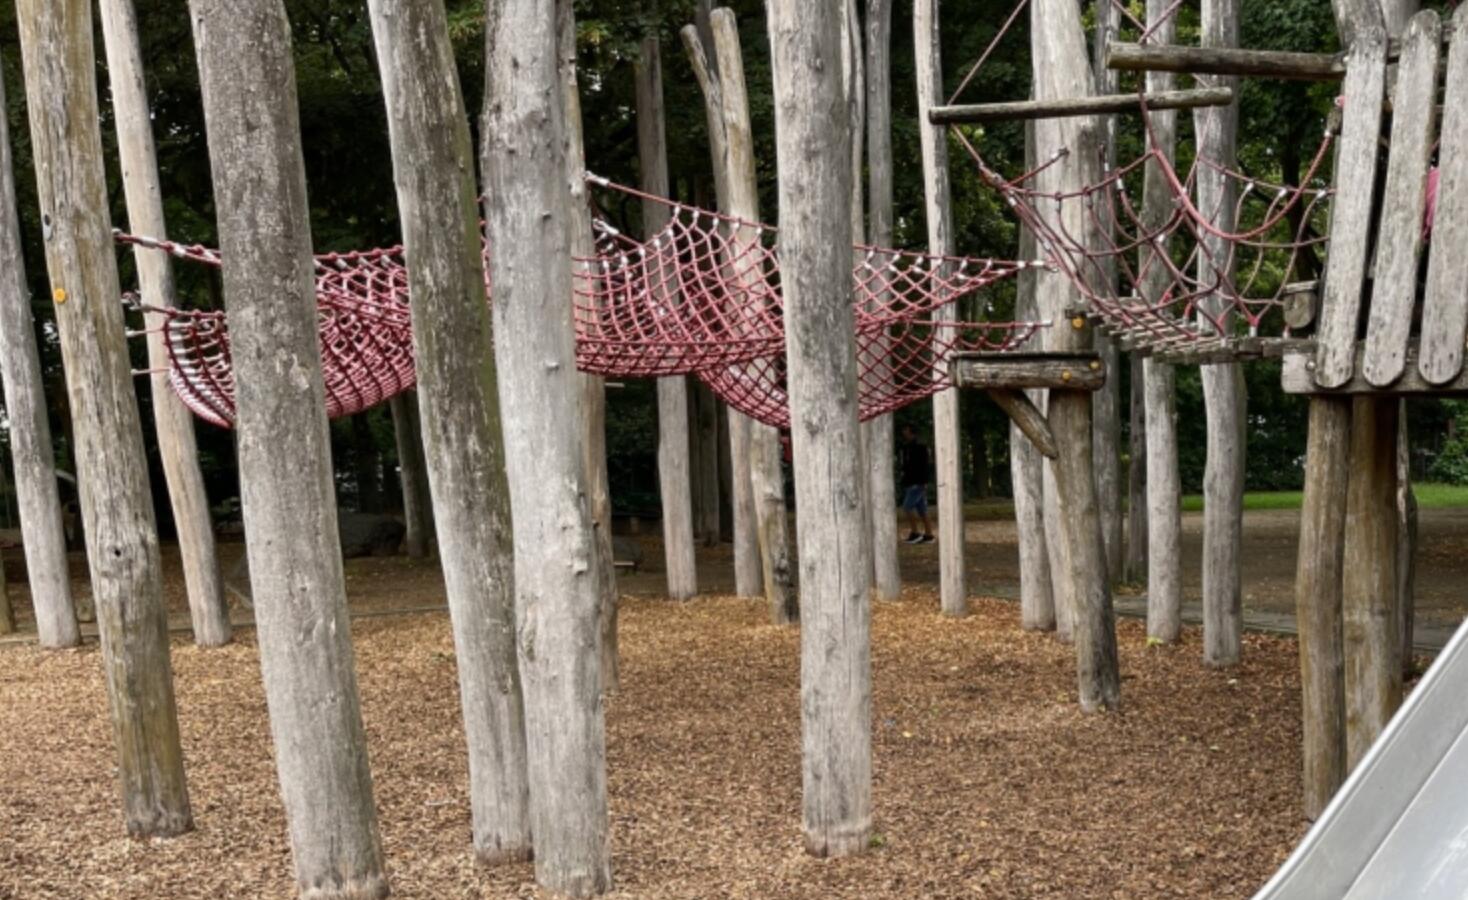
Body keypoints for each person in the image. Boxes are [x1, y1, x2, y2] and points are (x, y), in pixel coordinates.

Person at [898, 425, 934, 544]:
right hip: (911, 481)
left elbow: (924, 465)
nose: (904, 432)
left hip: (917, 482)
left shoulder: (920, 447)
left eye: (906, 430)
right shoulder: (906, 447)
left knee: (907, 507)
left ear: (912, 432)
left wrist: (923, 481)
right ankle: (929, 535)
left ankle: (915, 533)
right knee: (922, 509)